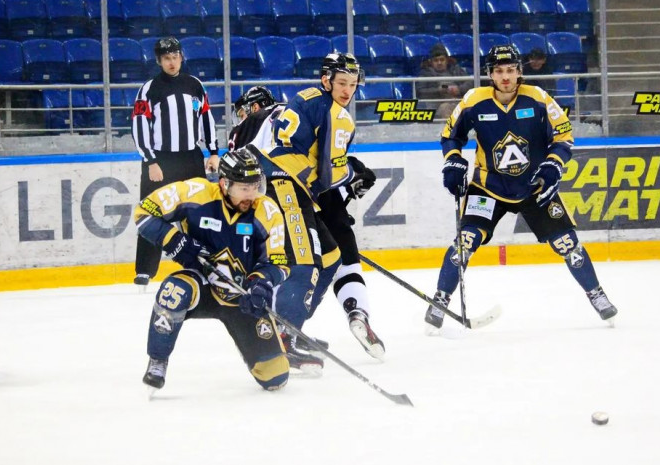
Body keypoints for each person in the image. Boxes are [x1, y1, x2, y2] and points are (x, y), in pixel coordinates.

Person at [423, 44, 618, 334]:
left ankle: (596, 294)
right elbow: (451, 135)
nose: (505, 77)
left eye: (511, 70)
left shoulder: (538, 98)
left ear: (519, 72)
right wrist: (452, 161)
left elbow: (564, 136)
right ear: (490, 73)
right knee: (464, 244)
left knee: (568, 244)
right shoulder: (474, 100)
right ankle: (440, 300)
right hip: (487, 187)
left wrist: (553, 166)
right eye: (499, 71)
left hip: (533, 187)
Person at [260, 52, 385, 362]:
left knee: (330, 257)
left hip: (281, 181)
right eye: (341, 82)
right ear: (327, 80)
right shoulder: (339, 115)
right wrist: (355, 172)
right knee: (305, 262)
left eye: (353, 84)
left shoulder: (307, 96)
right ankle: (281, 341)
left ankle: (291, 329)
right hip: (284, 182)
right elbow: (329, 174)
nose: (347, 90)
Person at [135, 147, 290, 394]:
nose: (251, 194)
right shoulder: (195, 193)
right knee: (174, 290)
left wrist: (261, 282)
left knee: (276, 378)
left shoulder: (266, 210)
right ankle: (157, 361)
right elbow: (143, 212)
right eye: (244, 188)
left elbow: (279, 263)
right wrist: (176, 241)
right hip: (202, 284)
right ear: (224, 183)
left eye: (255, 186)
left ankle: (268, 345)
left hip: (242, 297)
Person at [227, 86, 327, 374]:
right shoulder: (292, 113)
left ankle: (288, 329)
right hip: (286, 192)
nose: (243, 116)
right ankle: (282, 335)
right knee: (305, 263)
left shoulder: (253, 123)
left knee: (319, 260)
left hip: (282, 193)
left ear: (257, 106)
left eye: (245, 109)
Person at [131, 36, 220, 288]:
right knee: (152, 212)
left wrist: (213, 151)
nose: (172, 62)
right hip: (161, 160)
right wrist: (150, 160)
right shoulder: (149, 89)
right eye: (167, 58)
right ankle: (145, 270)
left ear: (181, 57)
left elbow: (206, 118)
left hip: (191, 157)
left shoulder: (195, 85)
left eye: (176, 57)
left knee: (201, 212)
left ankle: (205, 263)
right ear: (159, 61)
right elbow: (139, 126)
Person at [416, 43, 472, 119]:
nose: (439, 63)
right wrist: (438, 91)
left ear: (447, 60)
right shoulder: (425, 73)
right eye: (436, 60)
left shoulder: (456, 69)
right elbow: (420, 91)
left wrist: (459, 89)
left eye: (442, 60)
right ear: (431, 62)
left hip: (458, 100)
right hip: (437, 104)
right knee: (445, 108)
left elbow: (470, 83)